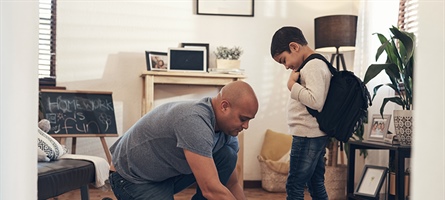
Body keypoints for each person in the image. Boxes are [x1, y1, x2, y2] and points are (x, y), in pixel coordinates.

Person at [109, 81, 258, 200]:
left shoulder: (228, 132)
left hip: (166, 174)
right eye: (243, 119)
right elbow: (211, 189)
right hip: (132, 178)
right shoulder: (194, 121)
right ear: (224, 106)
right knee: (213, 188)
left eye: (249, 120)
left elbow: (231, 184)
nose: (246, 126)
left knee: (227, 154)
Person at [270, 26, 332, 200]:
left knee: (295, 185)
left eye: (284, 60)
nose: (286, 66)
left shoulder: (313, 66)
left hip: (307, 135)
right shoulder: (315, 64)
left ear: (294, 47)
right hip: (313, 134)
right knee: (315, 183)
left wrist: (292, 86)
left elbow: (316, 101)